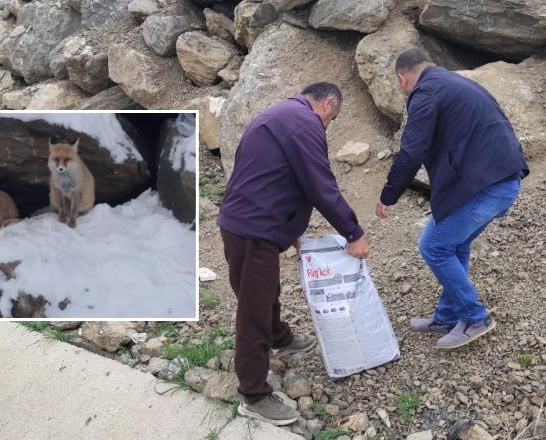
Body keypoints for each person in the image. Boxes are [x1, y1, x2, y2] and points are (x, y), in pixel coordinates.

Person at [218, 82, 370, 425]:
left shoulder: (280, 115)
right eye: (334, 117)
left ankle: (278, 338)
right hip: (253, 230)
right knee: (253, 308)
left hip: (247, 225)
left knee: (265, 289)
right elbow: (319, 184)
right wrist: (353, 232)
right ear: (328, 103)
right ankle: (254, 393)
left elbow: (275, 176)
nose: (329, 124)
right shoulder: (305, 123)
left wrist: (292, 228)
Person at [376, 48, 529, 349]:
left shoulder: (426, 93)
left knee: (434, 246)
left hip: (487, 185)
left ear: (402, 78)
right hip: (494, 179)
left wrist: (389, 195)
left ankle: (475, 317)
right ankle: (447, 315)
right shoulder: (454, 83)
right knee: (453, 244)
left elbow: (411, 151)